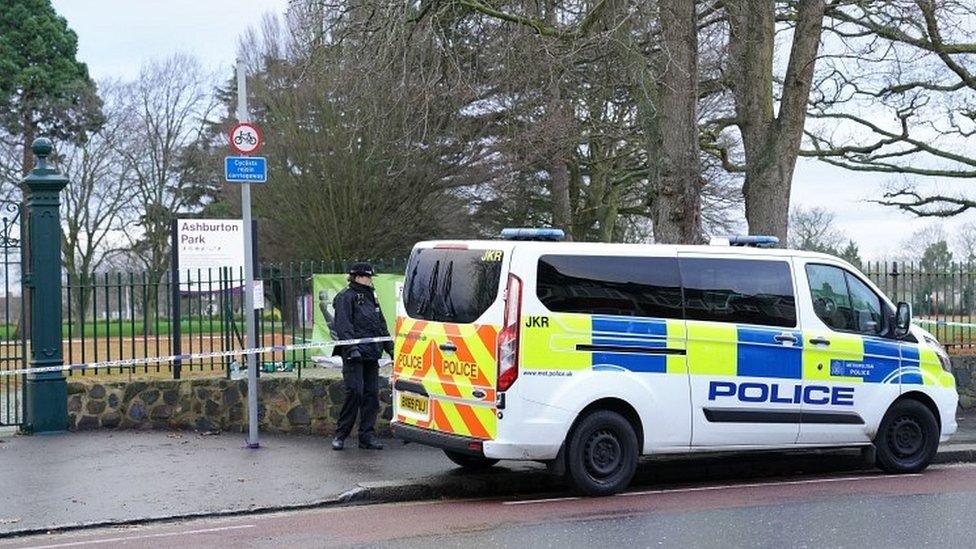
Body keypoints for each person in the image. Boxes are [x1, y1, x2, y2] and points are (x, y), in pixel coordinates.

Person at [331, 262, 394, 451]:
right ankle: (340, 434)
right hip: (354, 355)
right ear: (357, 277)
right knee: (355, 393)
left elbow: (380, 324)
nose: (370, 280)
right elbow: (343, 325)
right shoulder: (346, 297)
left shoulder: (371, 297)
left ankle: (367, 437)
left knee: (371, 396)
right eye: (367, 277)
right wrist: (352, 349)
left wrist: (390, 347)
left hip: (371, 353)